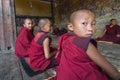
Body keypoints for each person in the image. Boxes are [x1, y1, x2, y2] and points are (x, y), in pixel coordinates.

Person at [53, 10, 120, 80]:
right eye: (84, 23)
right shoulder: (85, 43)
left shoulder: (65, 38)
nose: (90, 29)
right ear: (71, 27)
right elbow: (114, 74)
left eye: (93, 24)